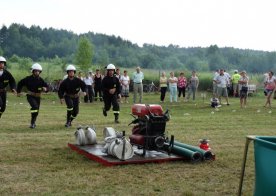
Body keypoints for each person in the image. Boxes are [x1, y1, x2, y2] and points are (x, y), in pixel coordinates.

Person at [17, 63, 48, 128]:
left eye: (38, 71)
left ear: (40, 72)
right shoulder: (28, 79)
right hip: (30, 96)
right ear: (33, 71)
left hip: (38, 97)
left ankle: (33, 122)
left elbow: (47, 87)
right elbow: (20, 83)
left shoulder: (41, 80)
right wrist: (18, 92)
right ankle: (32, 123)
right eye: (35, 71)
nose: (37, 72)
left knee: (36, 111)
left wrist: (45, 89)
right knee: (34, 107)